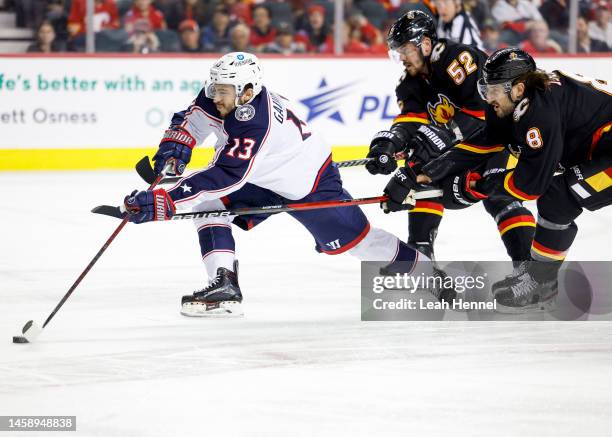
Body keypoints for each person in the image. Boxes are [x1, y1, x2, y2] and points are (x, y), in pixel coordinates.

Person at [121, 52, 434, 317]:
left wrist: (166, 199)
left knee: (362, 243)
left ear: (246, 92)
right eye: (215, 87)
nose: (216, 96)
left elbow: (225, 176)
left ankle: (431, 275)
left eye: (224, 91)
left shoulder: (255, 122)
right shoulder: (222, 93)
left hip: (309, 182)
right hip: (263, 175)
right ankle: (225, 284)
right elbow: (192, 120)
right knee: (209, 205)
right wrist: (175, 150)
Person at [414, 48, 612, 312]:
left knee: (558, 198)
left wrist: (479, 185)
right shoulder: (516, 103)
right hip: (603, 150)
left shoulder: (539, 111)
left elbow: (531, 184)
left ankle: (540, 283)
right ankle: (540, 279)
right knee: (558, 197)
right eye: (486, 88)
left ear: (518, 89)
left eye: (493, 90)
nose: (488, 96)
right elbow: (488, 140)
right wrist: (433, 170)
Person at [366, 11, 535, 268]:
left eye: (404, 49)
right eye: (397, 51)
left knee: (499, 195)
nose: (400, 57)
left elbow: (485, 115)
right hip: (460, 147)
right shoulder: (409, 82)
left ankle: (530, 271)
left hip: (497, 139)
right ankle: (421, 257)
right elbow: (411, 120)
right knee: (419, 170)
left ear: (424, 43)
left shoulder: (456, 59)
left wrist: (438, 137)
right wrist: (390, 144)